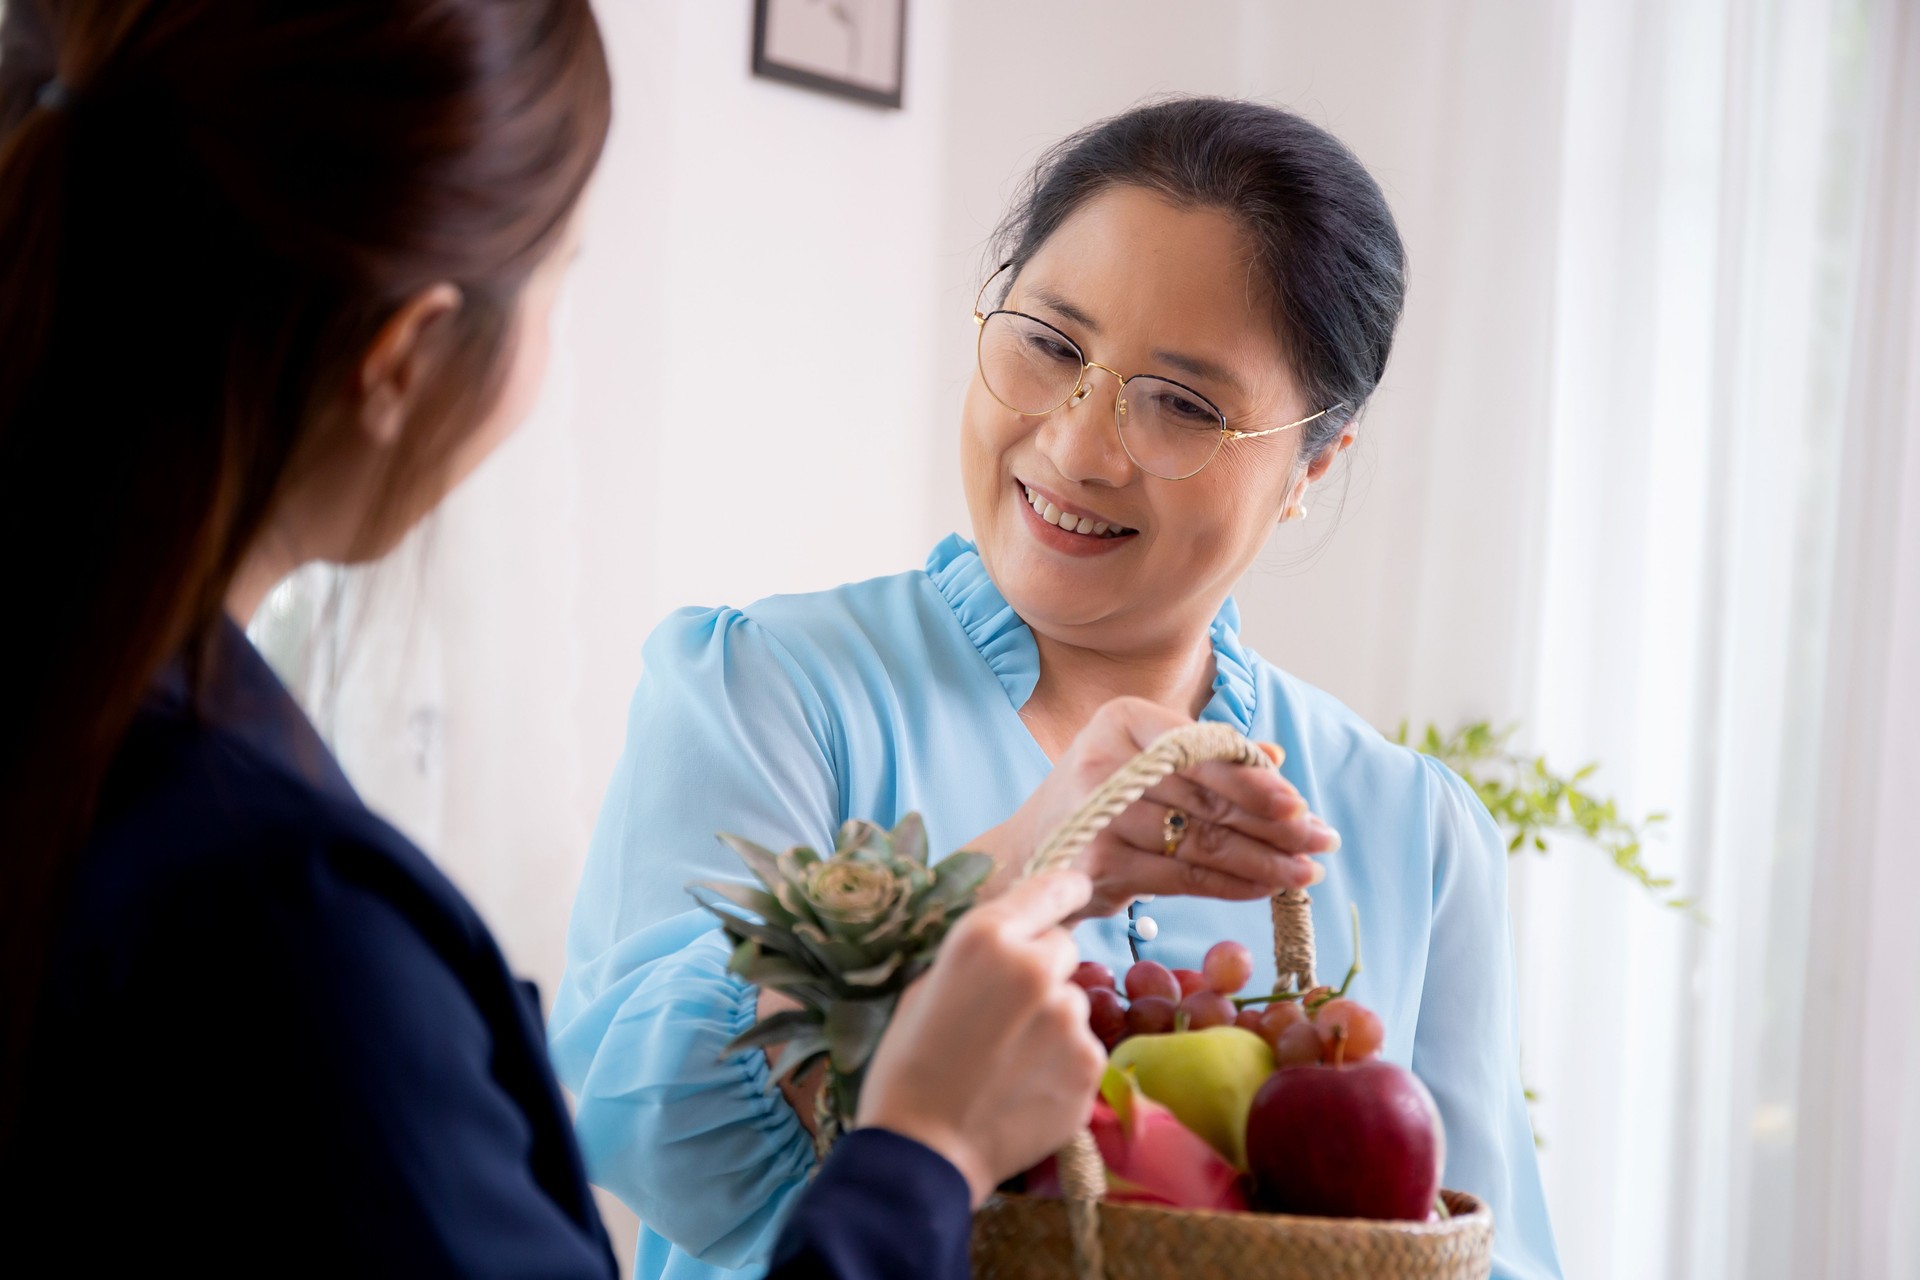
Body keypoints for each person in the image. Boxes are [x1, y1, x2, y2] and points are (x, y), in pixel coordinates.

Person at [0, 2, 1103, 1276]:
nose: (1087, 443)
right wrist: (924, 1145)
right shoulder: (287, 921)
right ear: (405, 352)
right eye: (563, 273)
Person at [555, 96, 1565, 1280]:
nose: (1081, 445)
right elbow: (636, 1129)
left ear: (1312, 467)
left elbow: (1485, 1256)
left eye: (1183, 403)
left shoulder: (1408, 828)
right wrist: (1015, 862)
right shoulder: (769, 693)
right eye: (1048, 342)